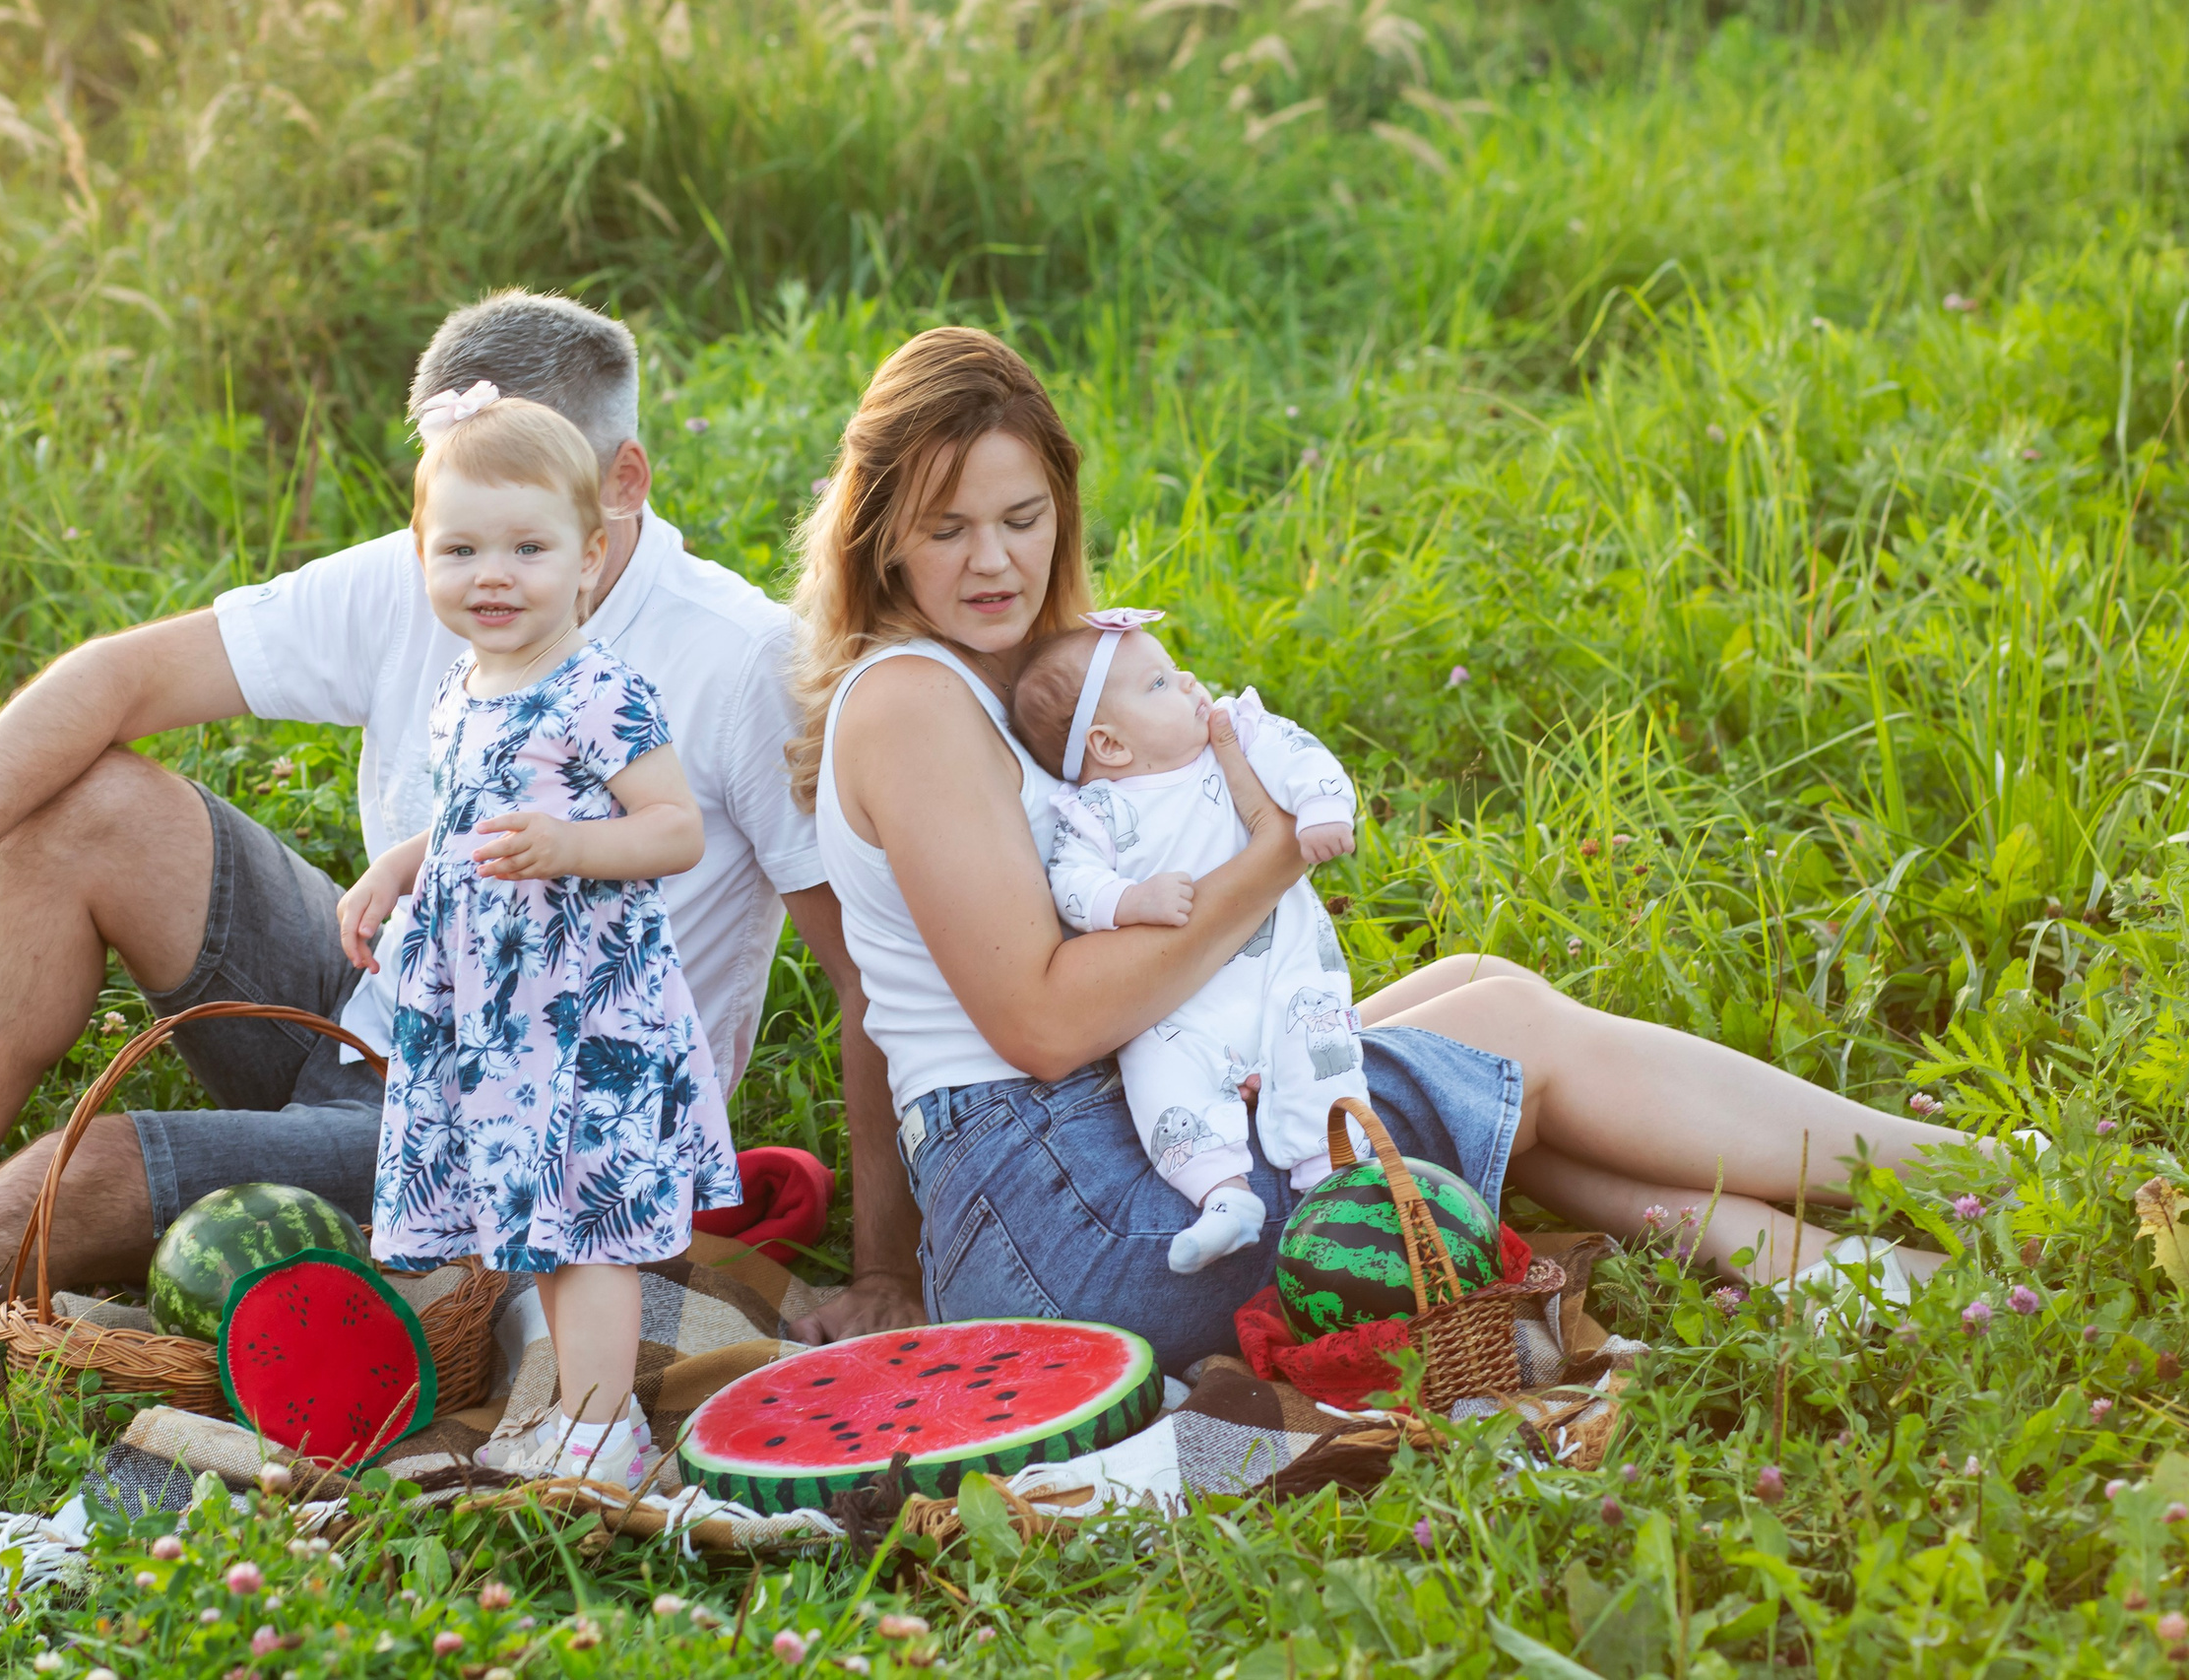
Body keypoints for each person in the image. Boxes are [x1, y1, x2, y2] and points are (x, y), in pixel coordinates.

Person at [0, 291, 914, 1383]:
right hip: (377, 1005)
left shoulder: (733, 660)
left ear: (618, 488)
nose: (470, 563)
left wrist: (885, 1265)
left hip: (526, 1112)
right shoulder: (439, 564)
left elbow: (867, 981)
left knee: (98, 1166)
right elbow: (114, 677)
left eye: (514, 514)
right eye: (446, 509)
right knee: (84, 806)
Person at [792, 324, 1978, 1378]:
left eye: (1020, 518)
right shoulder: (911, 702)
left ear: (1063, 506)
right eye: (945, 528)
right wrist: (1268, 856)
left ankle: (1814, 1264)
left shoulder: (1019, 678)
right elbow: (1038, 1026)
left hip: (1098, 1149)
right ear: (881, 533)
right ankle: (1967, 1173)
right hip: (1064, 1220)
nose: (993, 561)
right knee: (1508, 1034)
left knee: (1477, 993)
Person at [348, 390, 737, 1486]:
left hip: (581, 1005)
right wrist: (400, 863)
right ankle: (577, 1405)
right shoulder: (462, 689)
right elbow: (474, 821)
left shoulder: (596, 687)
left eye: (529, 546)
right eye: (462, 547)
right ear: (422, 553)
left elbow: (675, 829)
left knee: (586, 1220)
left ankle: (605, 1429)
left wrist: (571, 843)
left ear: (589, 554)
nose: (494, 574)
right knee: (540, 1221)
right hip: (498, 1015)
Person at [1009, 610, 1363, 1276]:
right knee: (1156, 1067)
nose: (1191, 681)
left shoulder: (1234, 733)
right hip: (1182, 1002)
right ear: (1110, 746)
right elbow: (1072, 884)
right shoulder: (1097, 812)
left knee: (1318, 1041)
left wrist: (1320, 808)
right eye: (1161, 684)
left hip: (1279, 962)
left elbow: (1299, 753)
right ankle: (1222, 1194)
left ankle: (1332, 1174)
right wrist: (1131, 900)